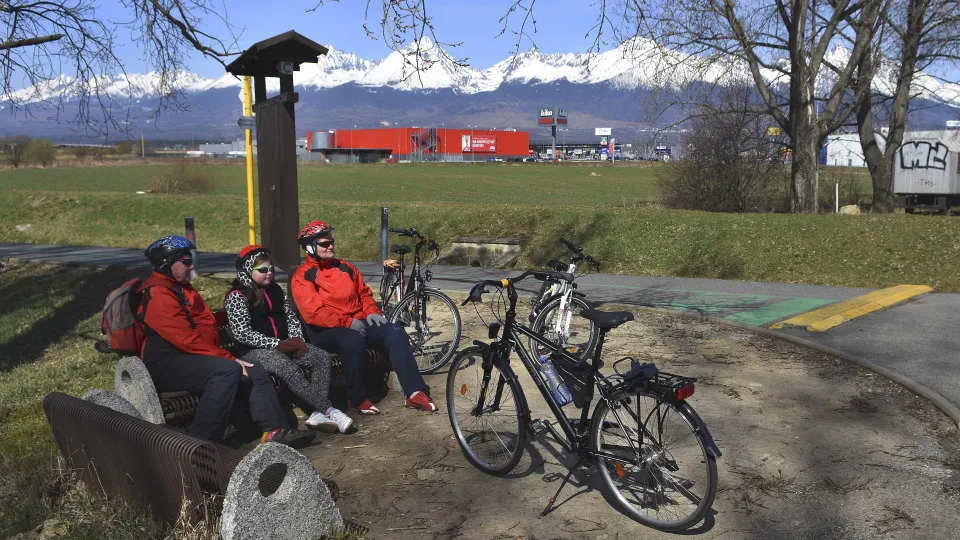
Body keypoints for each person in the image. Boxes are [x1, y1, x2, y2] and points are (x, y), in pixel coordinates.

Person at [137, 235, 315, 447]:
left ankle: (274, 430)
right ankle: (200, 443)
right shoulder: (159, 294)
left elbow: (201, 322)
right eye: (185, 262)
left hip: (191, 358)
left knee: (253, 367)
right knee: (228, 370)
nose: (191, 265)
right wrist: (229, 358)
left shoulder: (181, 288)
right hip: (166, 363)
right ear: (167, 264)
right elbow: (185, 339)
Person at [292, 220, 437, 414]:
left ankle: (414, 392)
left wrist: (372, 312)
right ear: (310, 247)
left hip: (357, 322)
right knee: (352, 340)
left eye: (331, 242)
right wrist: (347, 322)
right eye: (324, 244)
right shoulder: (303, 276)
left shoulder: (346, 267)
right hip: (325, 330)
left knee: (395, 331)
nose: (331, 246)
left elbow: (364, 294)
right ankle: (356, 397)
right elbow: (314, 313)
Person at [224, 245, 353, 434]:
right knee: (286, 367)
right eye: (262, 270)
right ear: (247, 270)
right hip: (254, 351)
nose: (268, 273)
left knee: (321, 357)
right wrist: (277, 344)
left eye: (270, 269)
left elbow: (290, 317)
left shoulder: (275, 290)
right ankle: (330, 410)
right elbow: (243, 333)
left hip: (283, 344)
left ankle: (316, 414)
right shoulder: (237, 297)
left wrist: (296, 339)